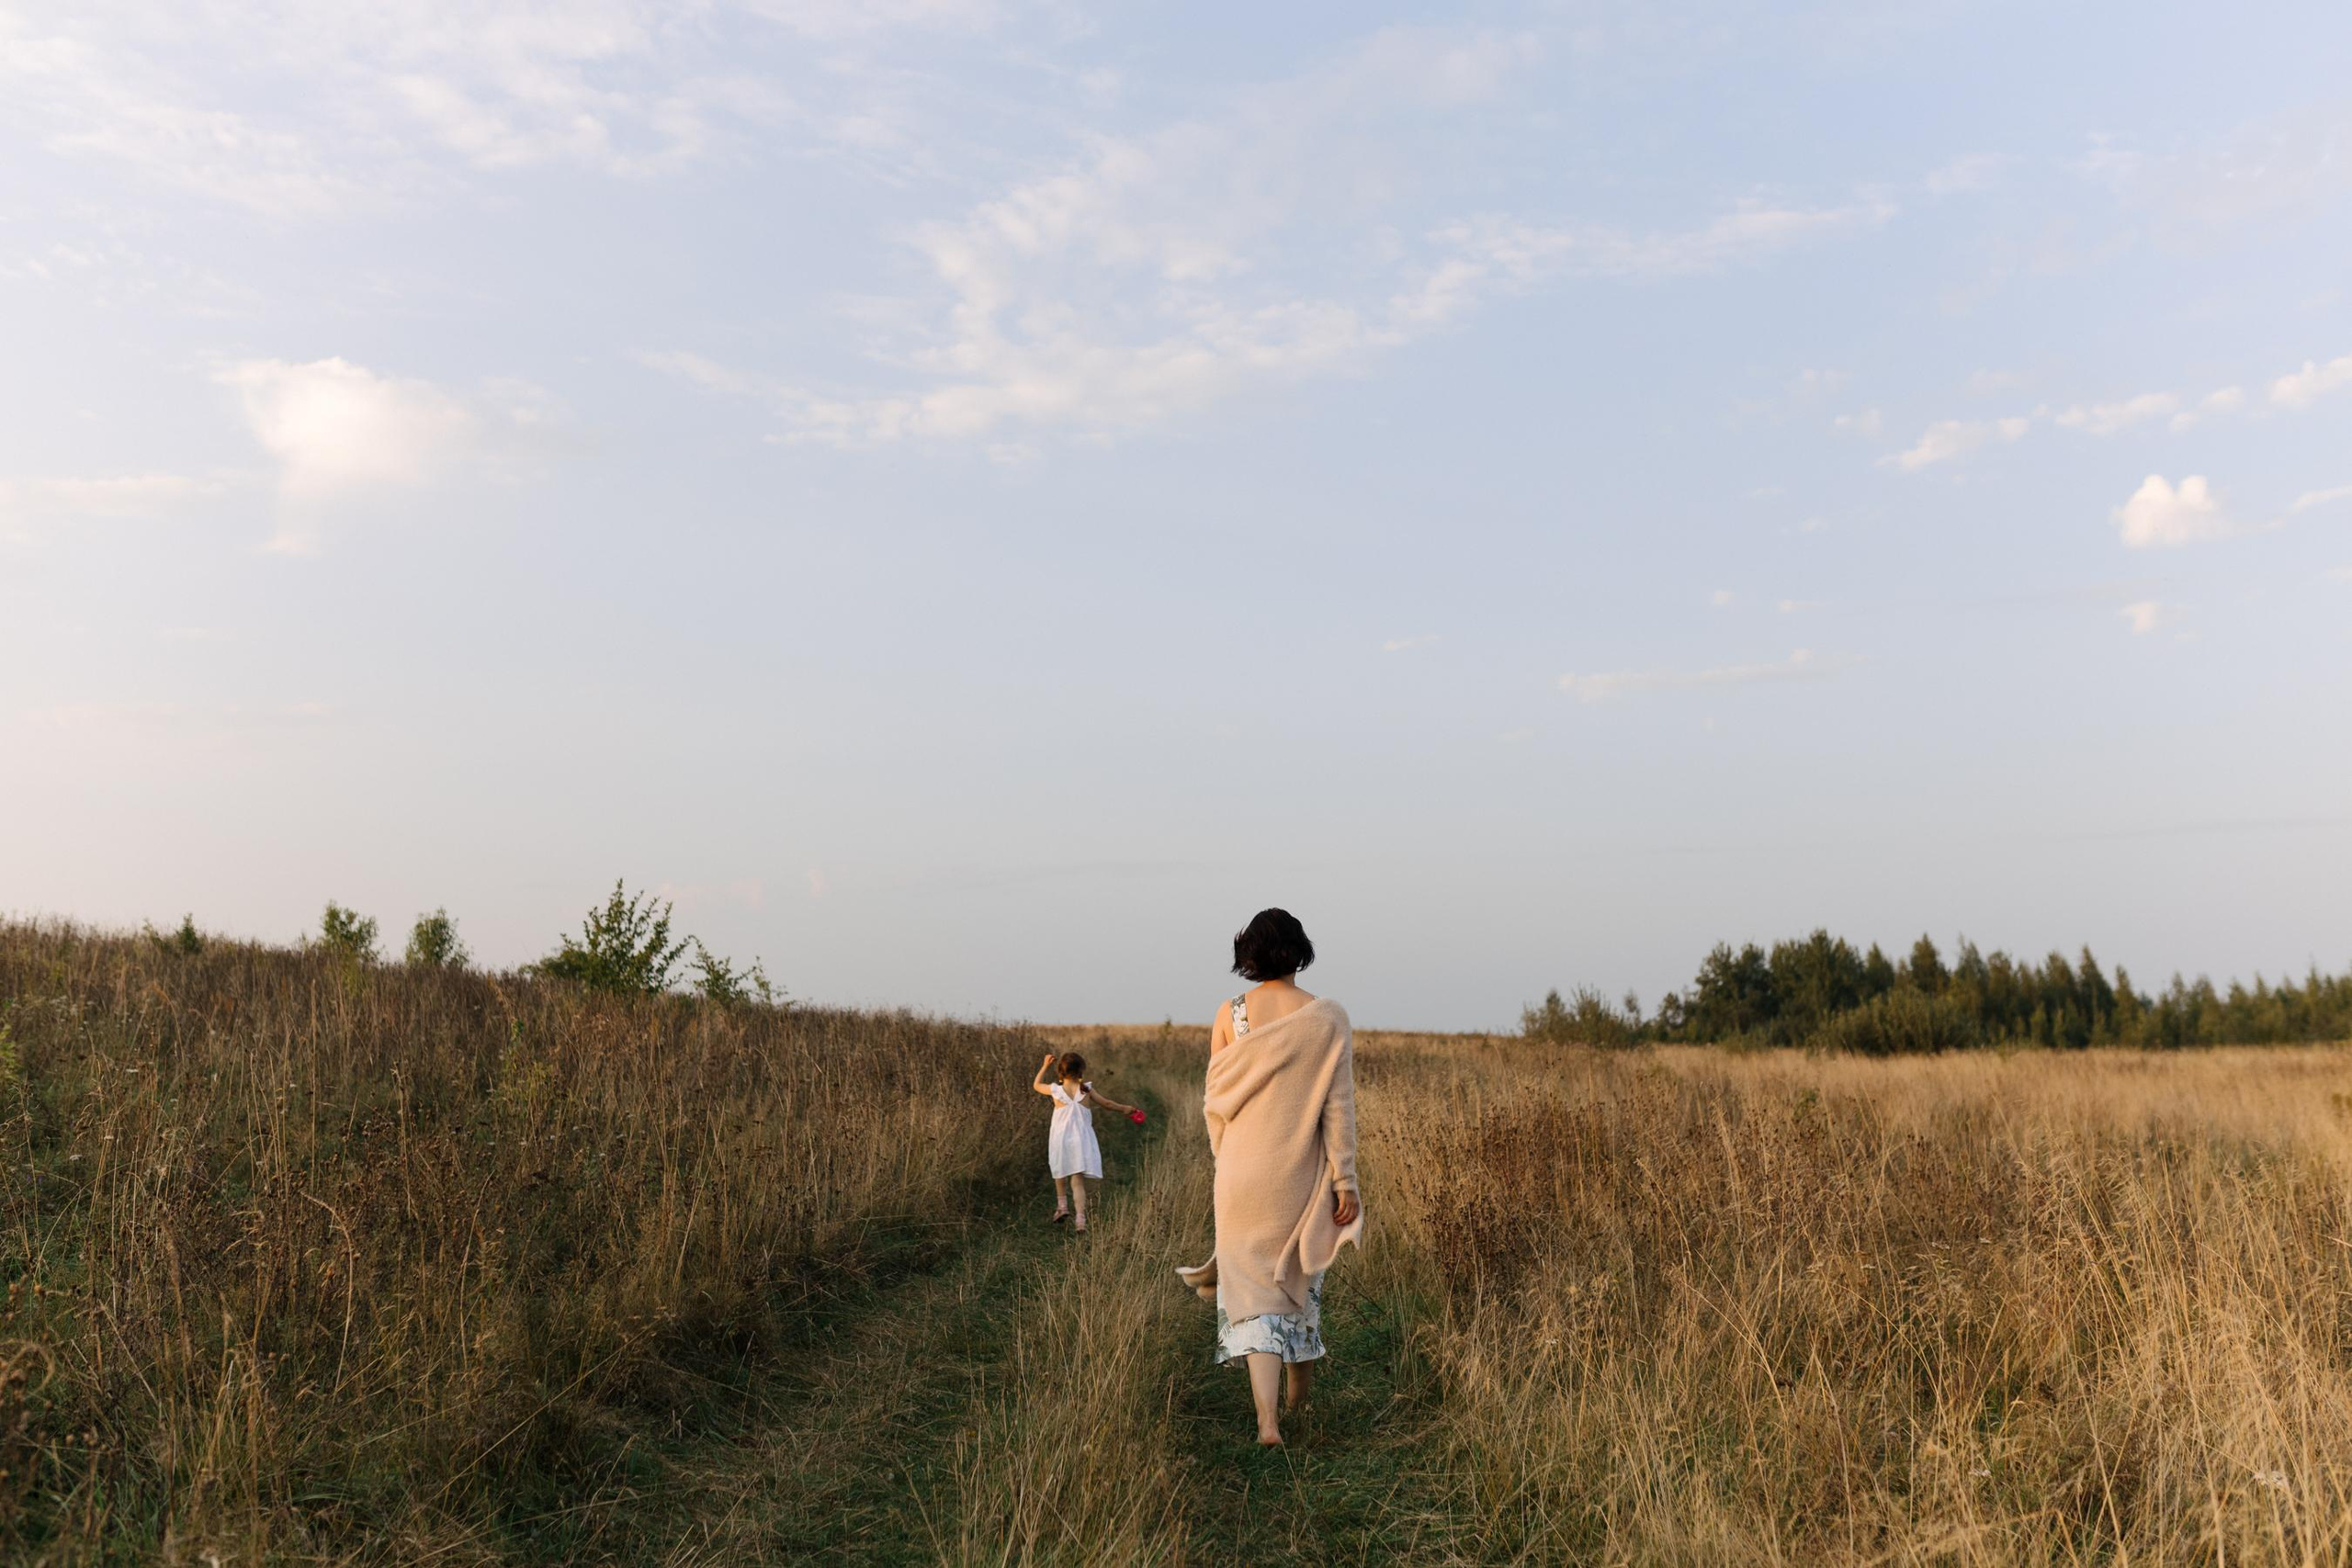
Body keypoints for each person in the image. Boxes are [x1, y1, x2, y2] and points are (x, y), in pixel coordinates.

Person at [1176, 908, 1363, 1447]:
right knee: (1299, 1284)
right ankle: (1298, 1405)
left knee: (1254, 1295)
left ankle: (1268, 1425)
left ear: (1249, 954)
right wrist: (1344, 1179)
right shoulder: (1328, 1018)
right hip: (1300, 1176)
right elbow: (1339, 1107)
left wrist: (1227, 1158)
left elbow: (1215, 1103)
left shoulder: (1229, 1014)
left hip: (1240, 1175)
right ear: (1299, 950)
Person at [1033, 1050, 1138, 1233]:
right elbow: (1107, 1104)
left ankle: (1062, 1207)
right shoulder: (1086, 1090)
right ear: (1082, 1071)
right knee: (1077, 1179)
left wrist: (1044, 1066)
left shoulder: (1055, 1090)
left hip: (1060, 1137)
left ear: (1060, 1071)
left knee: (1059, 1170)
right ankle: (1080, 1219)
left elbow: (1036, 1085)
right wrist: (1125, 1109)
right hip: (1081, 1139)